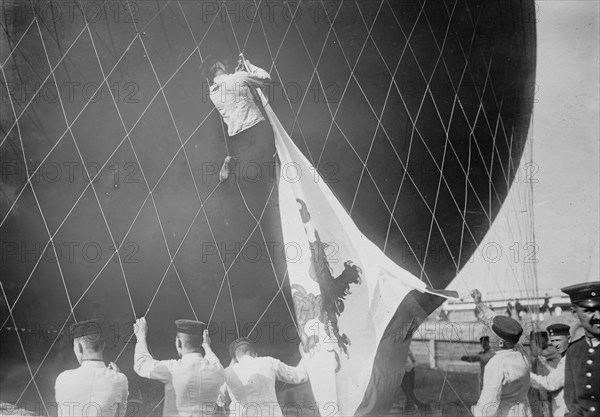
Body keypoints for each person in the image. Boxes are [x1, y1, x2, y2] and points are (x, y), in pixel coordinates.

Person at [200, 54, 275, 187]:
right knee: (273, 158)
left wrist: (239, 74)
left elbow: (232, 90)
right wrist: (249, 66)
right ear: (219, 65)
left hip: (237, 136)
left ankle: (233, 161)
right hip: (256, 127)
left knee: (253, 168)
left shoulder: (212, 92)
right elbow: (266, 78)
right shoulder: (238, 77)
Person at [133, 318, 225, 417]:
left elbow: (141, 364)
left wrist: (141, 338)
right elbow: (213, 359)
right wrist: (207, 346)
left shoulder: (173, 368)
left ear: (178, 343)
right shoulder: (217, 369)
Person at [55, 319, 128, 417]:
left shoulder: (63, 378)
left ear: (80, 347)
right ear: (103, 345)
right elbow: (120, 415)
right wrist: (115, 377)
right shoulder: (121, 379)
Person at [220, 337, 308, 417]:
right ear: (254, 353)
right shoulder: (269, 361)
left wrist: (230, 366)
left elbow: (220, 400)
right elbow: (301, 376)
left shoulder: (227, 372)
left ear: (234, 358)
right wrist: (305, 355)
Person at [471, 315, 532, 417]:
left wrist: (475, 411)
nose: (489, 340)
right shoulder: (522, 352)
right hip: (524, 411)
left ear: (500, 342)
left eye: (492, 336)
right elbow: (511, 330)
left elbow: (488, 405)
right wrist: (480, 307)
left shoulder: (497, 363)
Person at [561, 282, 600, 417]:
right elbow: (573, 403)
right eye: (589, 310)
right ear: (574, 312)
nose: (598, 317)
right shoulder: (574, 350)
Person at [529, 324, 570, 417]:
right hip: (559, 399)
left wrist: (525, 374)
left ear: (569, 339)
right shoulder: (567, 356)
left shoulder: (552, 350)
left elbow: (550, 383)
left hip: (565, 409)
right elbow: (561, 374)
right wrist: (546, 365)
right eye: (553, 341)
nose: (556, 344)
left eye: (558, 340)